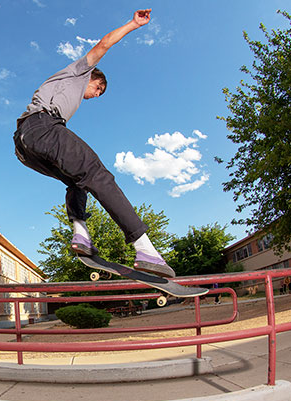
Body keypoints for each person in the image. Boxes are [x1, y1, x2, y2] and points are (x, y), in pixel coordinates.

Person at [13, 8, 175, 278]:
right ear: (92, 78)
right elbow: (104, 44)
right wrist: (133, 24)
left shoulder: (60, 91)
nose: (96, 95)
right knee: (99, 175)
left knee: (77, 180)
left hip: (23, 144)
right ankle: (144, 247)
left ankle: (81, 235)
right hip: (43, 127)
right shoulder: (78, 71)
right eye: (98, 89)